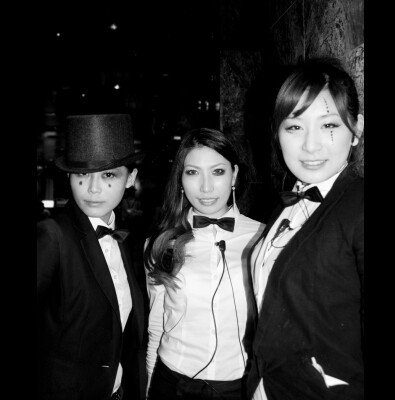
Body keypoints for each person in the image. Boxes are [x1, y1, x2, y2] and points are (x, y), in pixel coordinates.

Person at [246, 57, 364, 400]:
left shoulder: (358, 207)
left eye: (329, 125)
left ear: (356, 130)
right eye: (295, 127)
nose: (311, 145)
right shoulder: (287, 203)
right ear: (277, 133)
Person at [143, 127, 265, 400]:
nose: (206, 187)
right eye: (192, 172)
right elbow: (156, 324)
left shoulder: (264, 238)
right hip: (170, 383)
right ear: (181, 179)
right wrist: (150, 386)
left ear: (234, 175)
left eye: (218, 172)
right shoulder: (161, 243)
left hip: (238, 387)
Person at [37, 114, 148, 400]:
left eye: (108, 175)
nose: (93, 189)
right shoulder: (52, 235)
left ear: (130, 178)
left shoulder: (126, 239)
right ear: (69, 177)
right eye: (82, 174)